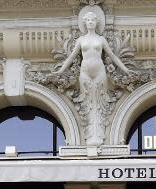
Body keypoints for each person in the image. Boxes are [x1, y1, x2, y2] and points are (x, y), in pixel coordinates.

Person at [53, 8, 133, 145]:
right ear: (84, 23)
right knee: (87, 102)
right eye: (88, 20)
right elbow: (72, 56)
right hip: (84, 72)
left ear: (96, 23)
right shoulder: (81, 40)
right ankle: (91, 133)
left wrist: (125, 70)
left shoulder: (101, 39)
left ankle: (97, 133)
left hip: (99, 72)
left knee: (99, 101)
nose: (90, 22)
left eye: (93, 20)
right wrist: (60, 71)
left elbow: (112, 56)